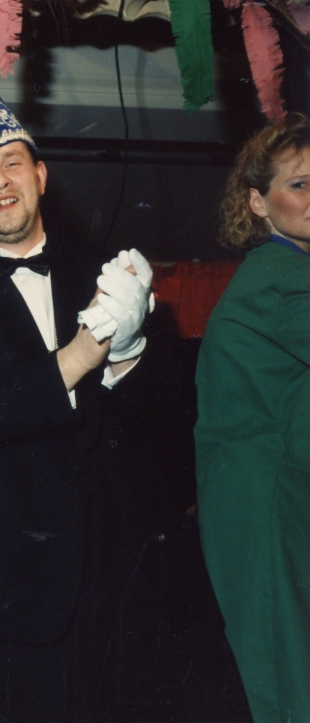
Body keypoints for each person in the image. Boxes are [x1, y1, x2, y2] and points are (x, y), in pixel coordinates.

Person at [0, 43, 159, 721]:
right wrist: (85, 353)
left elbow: (160, 426)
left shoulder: (104, 272)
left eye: (12, 162)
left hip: (112, 580)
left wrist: (129, 351)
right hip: (4, 591)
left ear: (41, 174)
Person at [195, 113, 310, 722]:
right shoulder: (284, 277)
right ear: (257, 203)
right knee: (292, 689)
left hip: (263, 505)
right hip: (271, 510)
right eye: (299, 184)